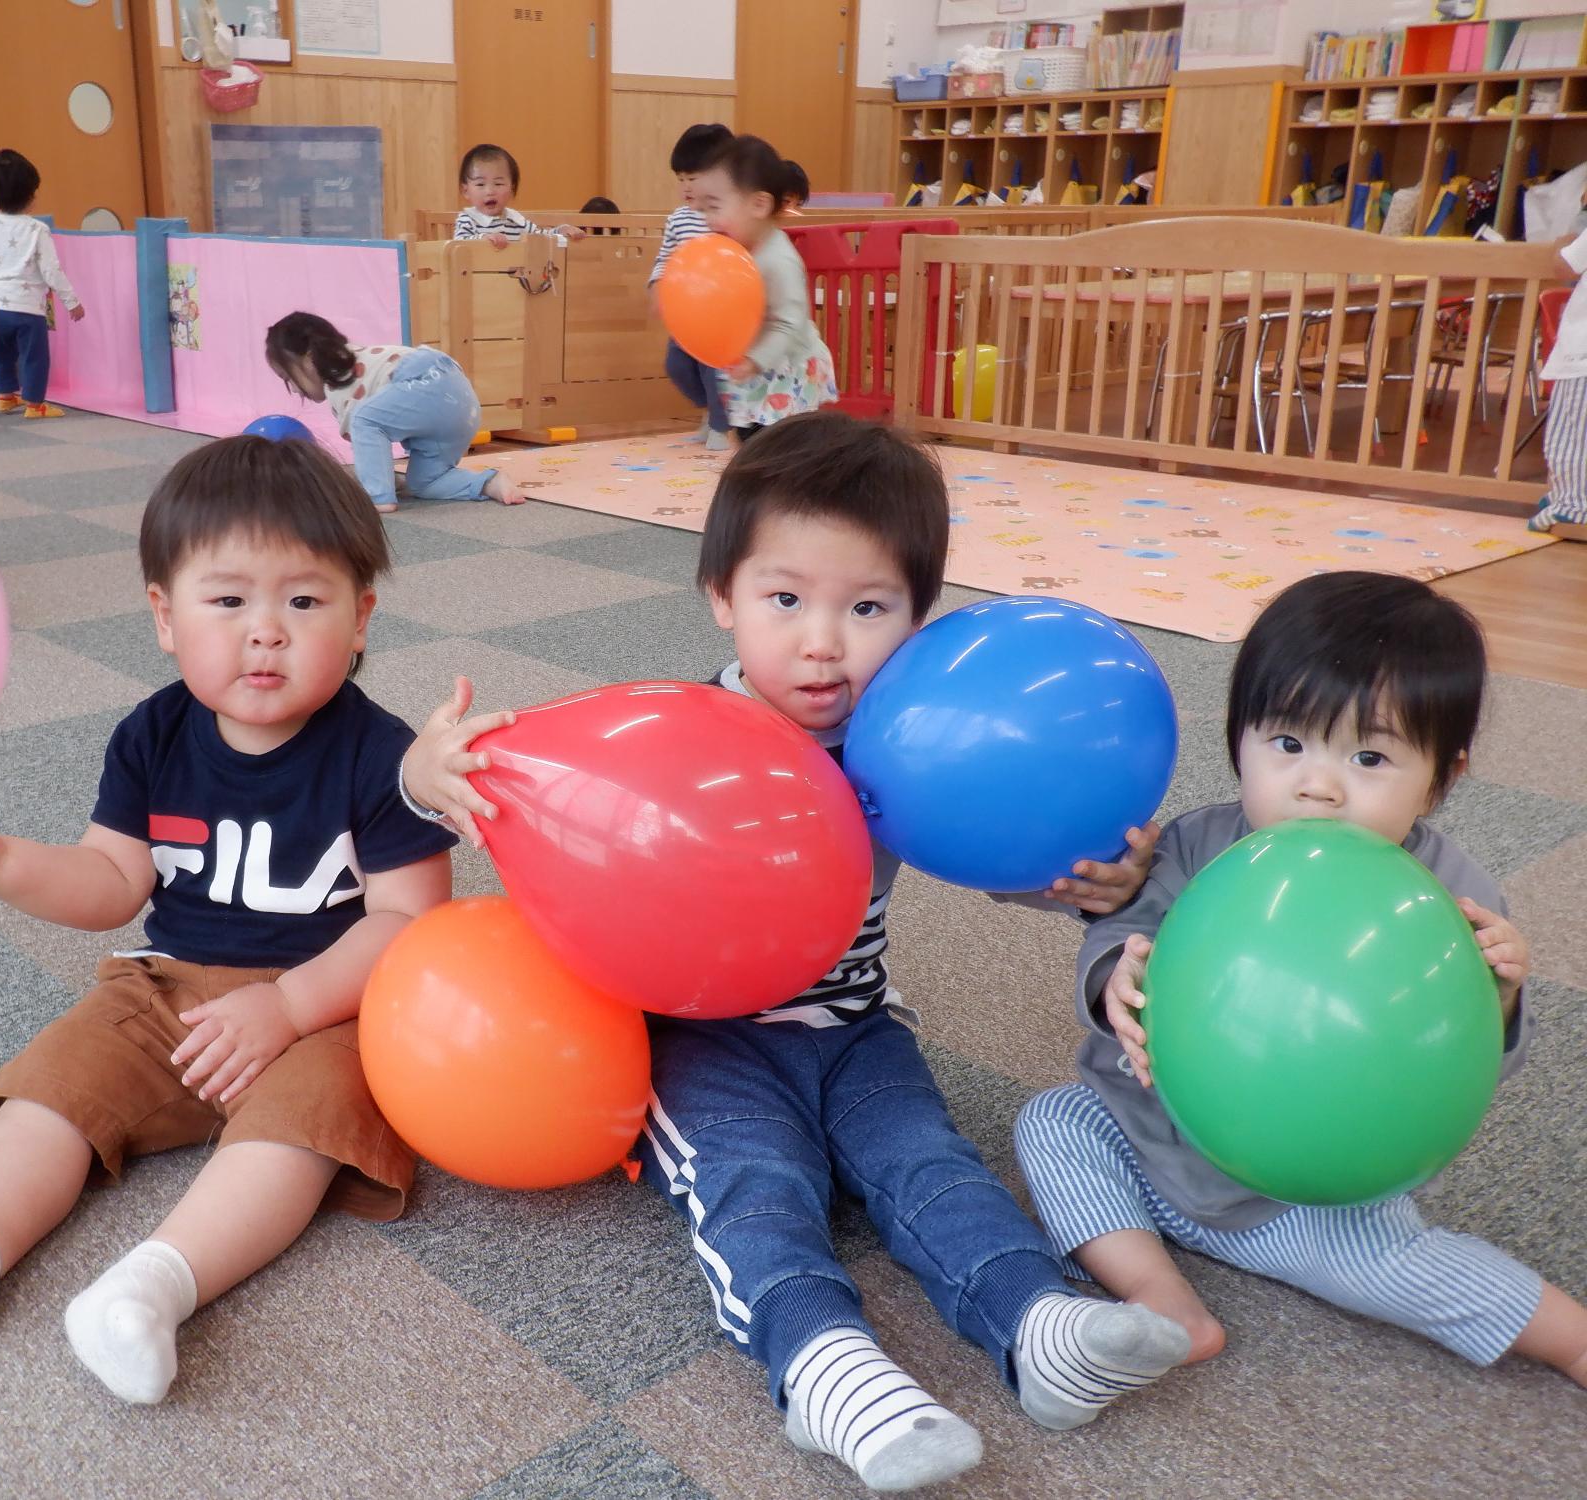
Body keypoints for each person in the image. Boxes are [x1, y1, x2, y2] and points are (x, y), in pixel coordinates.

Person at [400, 412, 1187, 1493]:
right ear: (721, 597)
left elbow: (988, 848)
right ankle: (825, 1370)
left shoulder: (905, 739)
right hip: (700, 1040)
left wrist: (1088, 887)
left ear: (917, 619)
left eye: (866, 608)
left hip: (857, 1021)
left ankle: (1036, 1328)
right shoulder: (683, 728)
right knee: (753, 1187)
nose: (822, 642)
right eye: (785, 601)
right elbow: (534, 793)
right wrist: (422, 772)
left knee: (926, 1159)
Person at [0, 436, 458, 1405]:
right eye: (227, 601)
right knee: (56, 1080)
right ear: (162, 616)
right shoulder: (152, 733)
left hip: (332, 1005)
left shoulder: (383, 757)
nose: (266, 632)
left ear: (360, 619)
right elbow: (109, 883)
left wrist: (289, 1007)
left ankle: (151, 1288)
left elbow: (411, 925)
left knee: (303, 1127)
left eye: (303, 602)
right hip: (168, 985)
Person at [1013, 571, 1587, 1389]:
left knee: (1396, 1268)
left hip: (1308, 1191)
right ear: (1238, 737)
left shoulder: (1447, 900)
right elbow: (1123, 931)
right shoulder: (1195, 843)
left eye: (1369, 756)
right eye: (1287, 744)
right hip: (1149, 1131)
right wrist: (1118, 978)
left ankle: (1567, 1335)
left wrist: (1497, 993)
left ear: (1442, 778)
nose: (1318, 784)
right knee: (1053, 1122)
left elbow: (1453, 1066)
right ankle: (1160, 1293)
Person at [265, 311, 524, 516]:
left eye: (289, 378)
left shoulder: (340, 380)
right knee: (425, 483)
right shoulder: (361, 358)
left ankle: (378, 497)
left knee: (363, 420)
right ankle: (489, 483)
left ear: (310, 360)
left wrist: (373, 483)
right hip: (461, 406)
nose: (293, 390)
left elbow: (363, 430)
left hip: (426, 380)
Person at [690, 135, 840, 441]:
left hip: (786, 368)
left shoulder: (777, 258)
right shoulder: (733, 250)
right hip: (752, 367)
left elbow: (789, 320)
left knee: (778, 448)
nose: (707, 220)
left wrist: (756, 360)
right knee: (749, 442)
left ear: (758, 204)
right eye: (703, 209)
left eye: (715, 207)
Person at [0, 148, 84, 421]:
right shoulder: (37, 230)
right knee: (34, 357)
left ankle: (5, 396)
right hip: (27, 309)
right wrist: (72, 301)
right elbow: (51, 270)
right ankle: (34, 405)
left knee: (2, 352)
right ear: (32, 196)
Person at [653, 122, 734, 450]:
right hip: (685, 315)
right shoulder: (678, 218)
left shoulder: (728, 217)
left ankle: (720, 423)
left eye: (693, 178)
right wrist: (657, 284)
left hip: (721, 315)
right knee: (677, 365)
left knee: (715, 371)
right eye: (681, 179)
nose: (686, 187)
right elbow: (664, 257)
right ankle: (711, 411)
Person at [1529, 212, 1587, 536]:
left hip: (1582, 357)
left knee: (1571, 435)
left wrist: (1563, 244)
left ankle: (1572, 507)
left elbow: (1565, 266)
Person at [451, 144, 582, 246]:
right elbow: (459, 243)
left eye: (498, 184)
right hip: (478, 278)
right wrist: (483, 239)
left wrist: (561, 231)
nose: (490, 191)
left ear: (512, 189)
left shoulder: (517, 221)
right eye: (480, 185)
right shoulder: (468, 219)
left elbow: (541, 238)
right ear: (465, 191)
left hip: (513, 279)